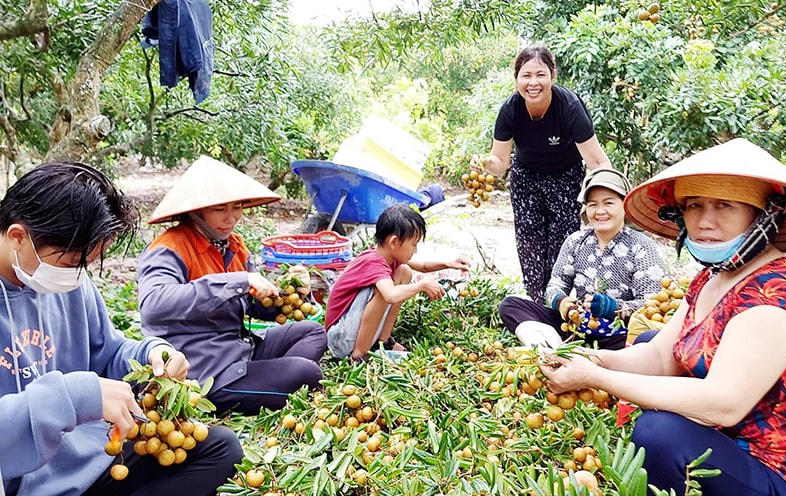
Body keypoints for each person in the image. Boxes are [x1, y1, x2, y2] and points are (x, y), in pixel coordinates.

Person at [541, 138, 786, 496]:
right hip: (734, 453)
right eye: (694, 205)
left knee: (659, 433)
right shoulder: (712, 278)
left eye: (724, 206)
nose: (704, 221)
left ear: (764, 214)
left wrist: (596, 378)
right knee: (660, 341)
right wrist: (592, 358)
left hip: (782, 485)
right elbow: (659, 356)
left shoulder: (777, 293)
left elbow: (724, 403)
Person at [0, 162, 242, 496]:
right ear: (18, 236)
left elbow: (107, 350)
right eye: (73, 263)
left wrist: (152, 354)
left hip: (92, 468)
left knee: (221, 448)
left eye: (87, 264)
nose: (78, 276)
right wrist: (77, 397)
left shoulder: (70, 284)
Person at [137, 156, 327, 416]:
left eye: (237, 206)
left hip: (239, 349)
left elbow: (256, 306)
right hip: (203, 368)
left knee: (313, 332)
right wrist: (238, 281)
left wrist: (288, 291)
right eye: (220, 209)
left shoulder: (233, 246)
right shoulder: (169, 248)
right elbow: (154, 305)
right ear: (196, 210)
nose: (231, 218)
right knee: (307, 373)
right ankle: (254, 385)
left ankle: (263, 381)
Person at [478, 45, 612, 302]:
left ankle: (559, 302)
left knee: (563, 242)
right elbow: (500, 163)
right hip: (526, 176)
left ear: (553, 75)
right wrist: (486, 163)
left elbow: (596, 160)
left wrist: (616, 196)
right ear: (516, 78)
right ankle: (537, 302)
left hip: (566, 175)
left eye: (540, 75)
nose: (533, 82)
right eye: (526, 75)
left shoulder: (569, 107)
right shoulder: (510, 110)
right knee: (529, 242)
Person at [500, 168, 665, 350]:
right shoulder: (576, 241)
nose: (600, 211)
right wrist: (562, 303)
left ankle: (565, 350)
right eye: (593, 205)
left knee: (649, 339)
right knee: (511, 305)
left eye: (608, 203)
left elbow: (652, 307)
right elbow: (555, 286)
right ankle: (552, 346)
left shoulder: (642, 246)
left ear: (624, 205)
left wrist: (612, 308)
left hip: (619, 335)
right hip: (576, 327)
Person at [325, 204, 470, 361]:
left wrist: (449, 263)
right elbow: (390, 295)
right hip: (339, 339)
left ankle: (383, 341)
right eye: (413, 244)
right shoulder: (373, 262)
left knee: (404, 271)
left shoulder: (389, 256)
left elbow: (423, 266)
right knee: (384, 291)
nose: (415, 250)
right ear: (394, 242)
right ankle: (359, 355)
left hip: (349, 331)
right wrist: (421, 285)